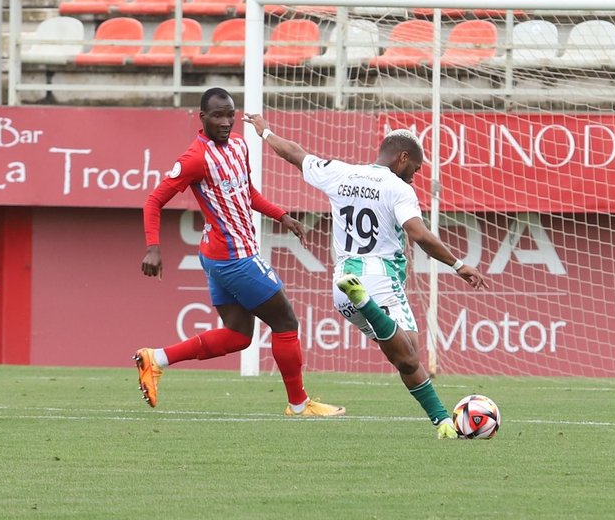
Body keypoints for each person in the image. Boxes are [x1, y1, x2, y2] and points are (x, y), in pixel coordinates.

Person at [251, 115, 489, 438]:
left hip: (342, 282)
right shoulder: (397, 188)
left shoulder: (341, 172)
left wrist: (265, 130)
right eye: (415, 170)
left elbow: (295, 153)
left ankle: (443, 422)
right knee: (409, 355)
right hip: (380, 278)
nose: (415, 179)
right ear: (402, 157)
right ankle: (366, 301)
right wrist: (458, 263)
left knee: (407, 357)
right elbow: (418, 234)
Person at [135, 89, 344, 418]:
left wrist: (281, 215)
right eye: (217, 116)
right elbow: (154, 200)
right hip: (233, 257)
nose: (225, 122)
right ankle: (299, 404)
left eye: (230, 114)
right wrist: (153, 247)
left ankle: (156, 359)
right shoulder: (194, 158)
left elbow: (247, 194)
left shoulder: (239, 145)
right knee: (285, 321)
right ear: (201, 118)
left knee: (237, 335)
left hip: (222, 255)